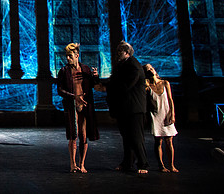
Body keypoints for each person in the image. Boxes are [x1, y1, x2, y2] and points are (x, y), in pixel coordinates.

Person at [57, 43, 100, 173]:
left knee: (83, 135)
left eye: (70, 56)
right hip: (72, 105)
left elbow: (94, 85)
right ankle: (72, 163)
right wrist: (74, 96)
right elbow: (60, 90)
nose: (68, 59)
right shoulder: (64, 71)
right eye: (67, 56)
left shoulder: (85, 69)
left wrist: (95, 76)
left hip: (84, 105)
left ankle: (82, 164)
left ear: (77, 55)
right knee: (73, 136)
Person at [107, 42, 149, 173]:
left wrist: (109, 87)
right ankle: (127, 163)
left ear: (127, 52)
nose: (117, 53)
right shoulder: (122, 65)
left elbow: (125, 86)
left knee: (136, 137)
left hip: (134, 108)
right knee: (127, 137)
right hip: (125, 108)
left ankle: (143, 164)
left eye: (120, 51)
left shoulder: (133, 66)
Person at [144, 64, 179, 173]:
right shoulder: (147, 86)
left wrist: (172, 114)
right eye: (147, 69)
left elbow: (170, 100)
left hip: (166, 113)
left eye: (151, 68)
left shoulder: (165, 83)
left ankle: (171, 165)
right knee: (158, 141)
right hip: (155, 115)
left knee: (169, 141)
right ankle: (161, 165)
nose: (150, 70)